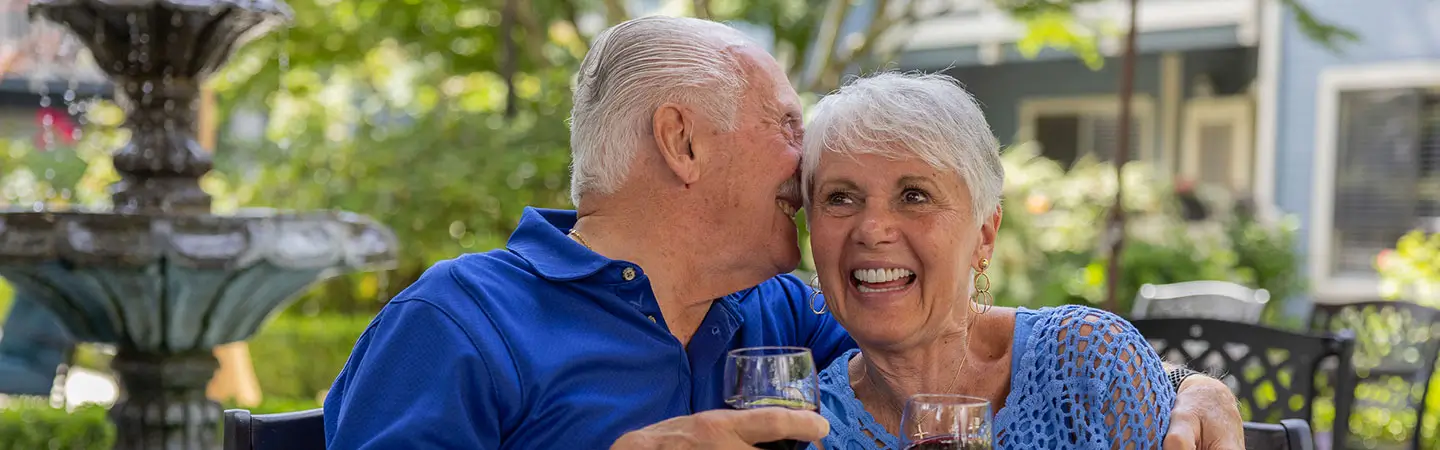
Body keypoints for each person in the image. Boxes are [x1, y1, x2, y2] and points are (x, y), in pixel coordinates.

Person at [322, 15, 1243, 450]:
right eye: (788, 126)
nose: (811, 176)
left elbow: (950, 340)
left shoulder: (780, 316)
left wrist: (1179, 385)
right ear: (682, 141)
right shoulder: (459, 322)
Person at [802, 71, 1175, 449]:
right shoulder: (803, 426)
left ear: (984, 234)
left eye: (914, 195)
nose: (872, 228)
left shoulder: (1090, 365)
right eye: (840, 198)